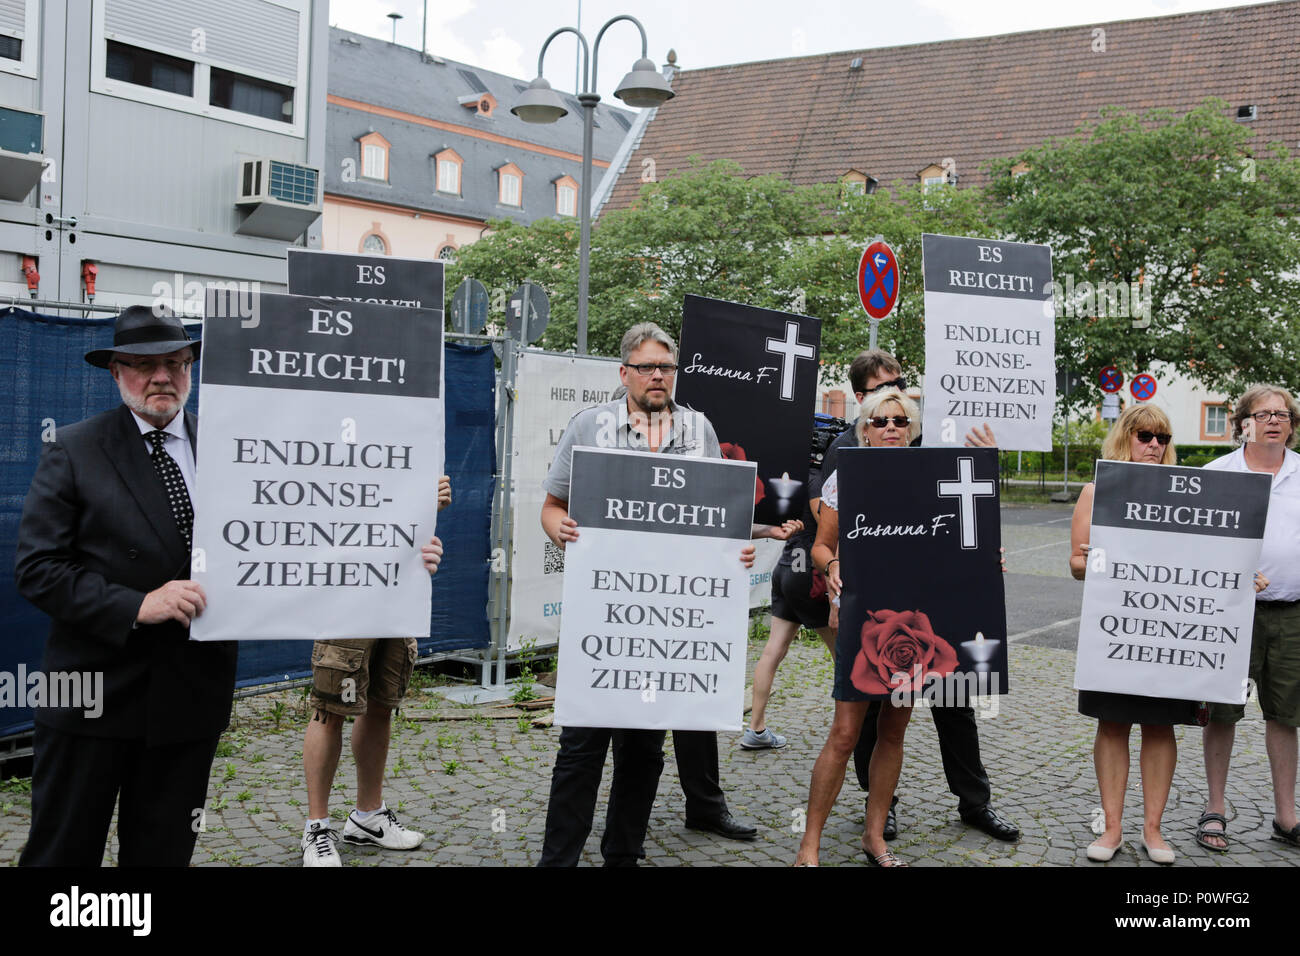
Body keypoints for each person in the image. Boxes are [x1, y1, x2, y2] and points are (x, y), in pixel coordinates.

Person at [537, 322, 799, 866]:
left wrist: (739, 548)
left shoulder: (697, 429)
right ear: (624, 372)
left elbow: (715, 520)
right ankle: (557, 860)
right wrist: (557, 527)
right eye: (646, 367)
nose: (658, 377)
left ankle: (623, 856)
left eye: (666, 367)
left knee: (642, 751)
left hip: (665, 624)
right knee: (581, 748)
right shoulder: (589, 427)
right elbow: (552, 505)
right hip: (603, 618)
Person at [14, 306, 235, 866]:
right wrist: (138, 604)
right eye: (143, 365)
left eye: (175, 362)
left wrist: (396, 551)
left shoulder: (236, 452)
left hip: (190, 694)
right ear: (116, 373)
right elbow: (38, 569)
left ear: (191, 368)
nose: (161, 377)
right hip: (93, 692)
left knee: (162, 851)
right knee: (63, 852)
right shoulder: (74, 449)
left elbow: (291, 543)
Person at [814, 349, 1018, 843]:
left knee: (932, 715)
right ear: (864, 426)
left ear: (911, 426)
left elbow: (963, 534)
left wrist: (987, 560)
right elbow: (821, 546)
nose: (890, 426)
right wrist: (835, 566)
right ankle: (856, 823)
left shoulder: (932, 472)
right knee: (851, 730)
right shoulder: (848, 475)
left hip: (919, 623)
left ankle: (965, 805)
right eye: (880, 419)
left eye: (899, 419)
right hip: (864, 620)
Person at [1069, 405, 1216, 865]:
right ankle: (1111, 828)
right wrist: (1094, 560)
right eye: (1144, 435)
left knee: (1159, 725)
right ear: (1125, 437)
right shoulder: (1098, 491)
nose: (1154, 444)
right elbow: (1075, 564)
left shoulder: (1186, 495)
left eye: (1162, 437)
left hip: (1165, 633)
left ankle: (1153, 830)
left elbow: (1209, 559)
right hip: (1115, 631)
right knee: (1112, 723)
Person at [300, 477, 452, 867]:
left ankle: (367, 817)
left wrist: (424, 510)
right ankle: (316, 827)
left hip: (397, 591)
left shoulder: (409, 437)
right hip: (345, 591)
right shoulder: (333, 437)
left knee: (381, 703)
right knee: (329, 708)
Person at [1200, 385, 1300, 853]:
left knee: (1286, 715)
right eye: (1263, 414)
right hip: (1230, 614)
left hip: (1292, 614)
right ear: (1244, 423)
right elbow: (1192, 549)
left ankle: (1286, 816)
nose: (1274, 421)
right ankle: (1215, 809)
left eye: (1282, 414)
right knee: (1222, 712)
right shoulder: (1217, 475)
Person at [741, 423, 835, 750]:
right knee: (844, 655)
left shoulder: (791, 476)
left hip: (784, 569)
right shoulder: (818, 481)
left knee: (773, 650)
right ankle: (853, 727)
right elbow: (825, 522)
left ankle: (756, 728)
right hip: (809, 573)